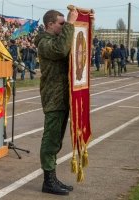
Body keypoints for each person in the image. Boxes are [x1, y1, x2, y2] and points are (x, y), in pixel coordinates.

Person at [34, 9, 78, 195]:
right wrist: (70, 24)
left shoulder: (57, 39)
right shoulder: (44, 42)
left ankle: (52, 177)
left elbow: (69, 47)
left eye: (64, 23)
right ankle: (48, 181)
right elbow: (61, 50)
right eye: (61, 23)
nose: (63, 26)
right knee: (51, 139)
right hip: (53, 96)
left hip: (63, 96)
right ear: (50, 24)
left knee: (57, 140)